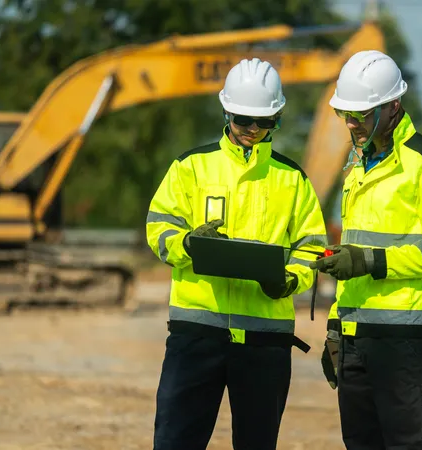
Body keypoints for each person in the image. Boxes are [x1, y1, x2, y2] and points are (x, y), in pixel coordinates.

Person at [145, 58, 328, 450]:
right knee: (175, 441)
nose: (252, 130)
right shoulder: (190, 168)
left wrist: (290, 279)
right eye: (244, 120)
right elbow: (159, 229)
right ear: (226, 111)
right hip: (197, 335)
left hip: (265, 343)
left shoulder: (293, 180)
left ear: (277, 117)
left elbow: (312, 247)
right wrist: (188, 245)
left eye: (264, 122)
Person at [310, 50, 422, 450]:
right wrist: (334, 323)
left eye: (361, 114)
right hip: (355, 336)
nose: (351, 123)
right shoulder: (356, 166)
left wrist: (372, 261)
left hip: (405, 339)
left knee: (407, 444)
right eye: (346, 114)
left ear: (393, 106)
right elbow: (352, 250)